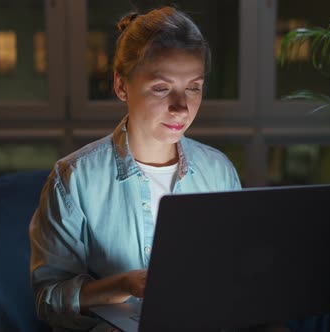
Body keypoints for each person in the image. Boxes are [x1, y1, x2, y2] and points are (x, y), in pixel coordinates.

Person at [29, 6, 241, 331]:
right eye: (161, 88)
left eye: (193, 87)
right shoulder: (74, 180)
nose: (181, 107)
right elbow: (49, 300)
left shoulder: (219, 172)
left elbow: (235, 279)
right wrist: (125, 284)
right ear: (121, 86)